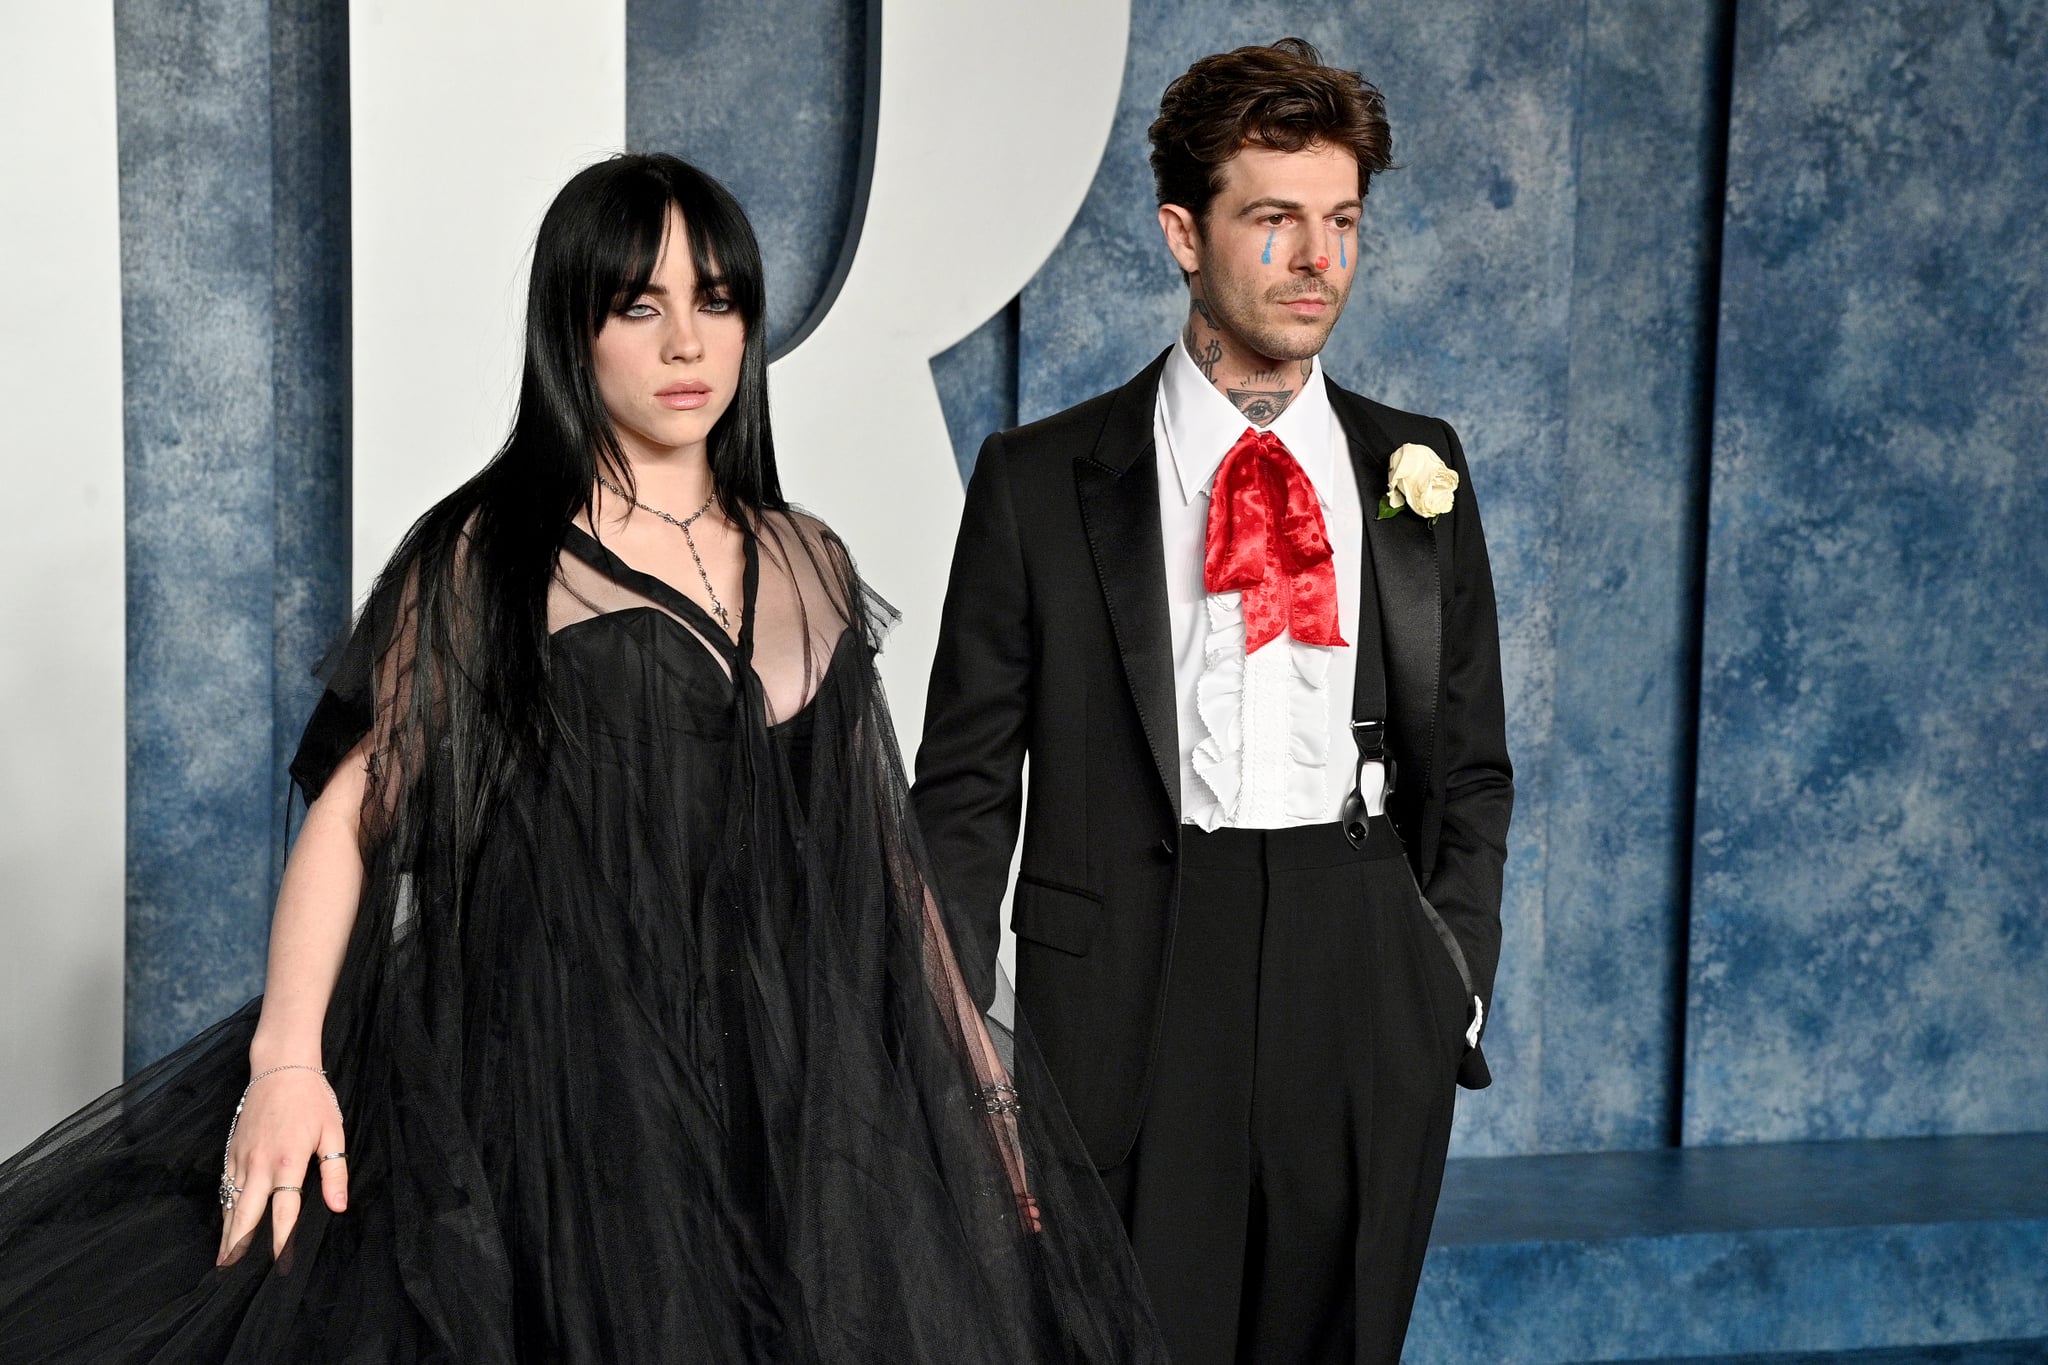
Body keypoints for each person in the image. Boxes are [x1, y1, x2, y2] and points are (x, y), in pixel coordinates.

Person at [0, 153, 1164, 1363]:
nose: (685, 343)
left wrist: (982, 1086)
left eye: (716, 301)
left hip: (792, 1092)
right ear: (575, 326)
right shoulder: (491, 551)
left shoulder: (808, 553)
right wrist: (287, 1065)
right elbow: (357, 812)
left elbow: (879, 856)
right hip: (549, 1086)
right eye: (638, 304)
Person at [911, 39, 1513, 1364]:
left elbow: (1468, 768)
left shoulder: (1418, 469)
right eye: (1276, 220)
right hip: (1124, 988)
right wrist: (963, 1038)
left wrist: (1446, 985)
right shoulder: (1038, 480)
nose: (1320, 261)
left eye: (1343, 221)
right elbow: (958, 789)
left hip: (1359, 975)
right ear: (1185, 234)